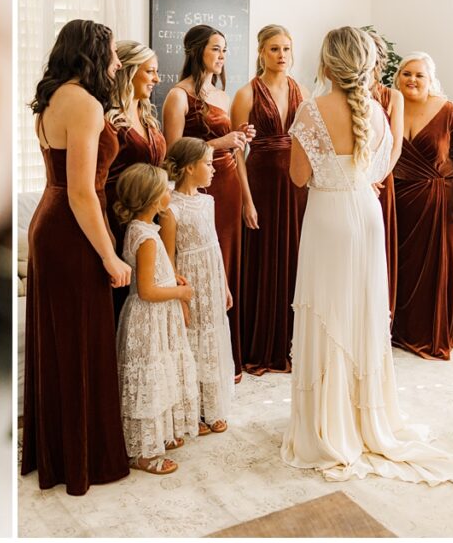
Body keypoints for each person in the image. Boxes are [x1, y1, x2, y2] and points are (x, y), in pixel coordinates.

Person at [281, 26, 453, 486]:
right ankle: (363, 415)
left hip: (328, 217)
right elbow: (385, 167)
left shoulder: (310, 111)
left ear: (327, 64)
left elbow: (296, 176)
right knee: (361, 313)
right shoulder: (376, 110)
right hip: (366, 215)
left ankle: (327, 422)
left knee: (326, 311)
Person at [21, 19, 133, 496]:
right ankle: (84, 460)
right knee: (82, 340)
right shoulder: (84, 103)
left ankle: (59, 452)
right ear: (92, 53)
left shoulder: (52, 100)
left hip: (48, 222)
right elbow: (84, 193)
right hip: (72, 229)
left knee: (59, 342)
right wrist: (110, 255)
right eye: (110, 52)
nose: (116, 62)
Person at [162, 24, 253, 382]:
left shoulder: (221, 95)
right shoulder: (178, 96)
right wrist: (221, 142)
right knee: (200, 265)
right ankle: (196, 362)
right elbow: (172, 153)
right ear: (197, 50)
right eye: (216, 49)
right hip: (196, 190)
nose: (221, 56)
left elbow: (230, 145)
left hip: (227, 183)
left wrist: (240, 141)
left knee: (225, 265)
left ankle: (224, 357)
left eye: (225, 50)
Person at [231, 24, 309, 375]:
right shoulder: (246, 94)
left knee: (294, 260)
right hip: (260, 185)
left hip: (296, 187)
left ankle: (290, 342)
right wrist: (246, 200)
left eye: (287, 49)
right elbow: (236, 152)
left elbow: (310, 146)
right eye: (274, 49)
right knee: (263, 260)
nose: (281, 55)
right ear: (261, 52)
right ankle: (260, 345)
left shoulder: (301, 92)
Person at [391, 52, 453, 360]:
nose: (412, 80)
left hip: (438, 204)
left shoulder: (449, 111)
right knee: (398, 268)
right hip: (396, 202)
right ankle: (398, 331)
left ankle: (429, 334)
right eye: (406, 74)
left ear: (431, 80)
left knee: (434, 272)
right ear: (398, 77)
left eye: (419, 75)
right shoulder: (389, 108)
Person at [114, 162, 198, 475]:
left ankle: (159, 433)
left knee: (161, 378)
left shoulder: (145, 230)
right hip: (148, 320)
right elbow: (147, 290)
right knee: (149, 380)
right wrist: (182, 295)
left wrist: (172, 276)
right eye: (166, 189)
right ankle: (143, 452)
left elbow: (155, 275)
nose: (171, 192)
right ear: (153, 199)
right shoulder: (146, 237)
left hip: (157, 321)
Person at [161, 137, 234, 435]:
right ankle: (192, 413)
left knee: (212, 342)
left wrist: (225, 285)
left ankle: (211, 407)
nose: (213, 169)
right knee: (191, 345)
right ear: (190, 168)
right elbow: (168, 258)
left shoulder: (208, 201)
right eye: (207, 163)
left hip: (212, 282)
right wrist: (179, 298)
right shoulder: (170, 208)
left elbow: (215, 247)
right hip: (190, 286)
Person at [105, 40, 167, 323]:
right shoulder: (110, 120)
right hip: (120, 218)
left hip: (151, 217)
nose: (156, 79)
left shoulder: (147, 116)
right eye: (150, 71)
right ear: (128, 72)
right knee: (124, 297)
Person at [366, 29, 404, 319]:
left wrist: (376, 176)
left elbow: (396, 145)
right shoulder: (341, 94)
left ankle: (379, 316)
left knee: (378, 249)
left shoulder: (393, 97)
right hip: (351, 181)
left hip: (380, 181)